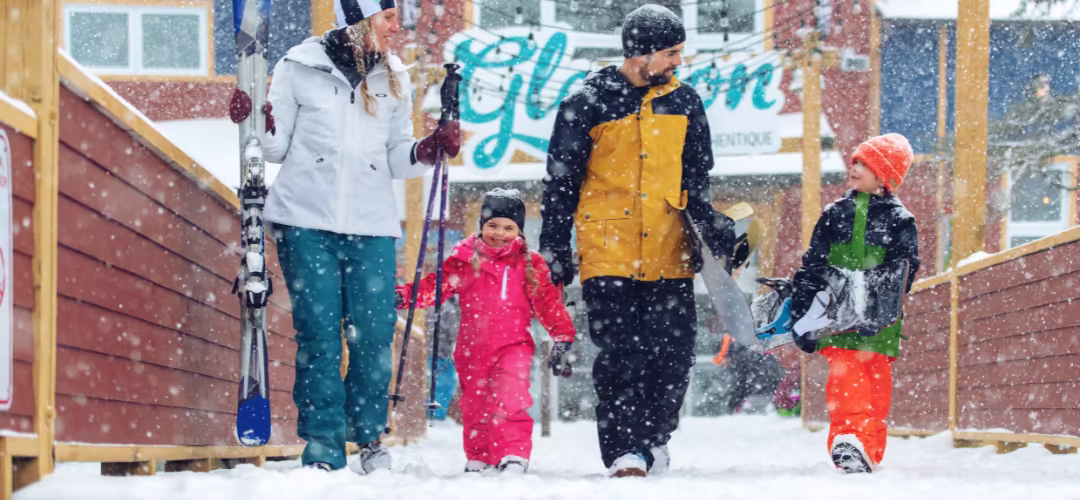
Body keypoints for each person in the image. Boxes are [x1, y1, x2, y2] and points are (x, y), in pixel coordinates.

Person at [256, 0, 461, 473]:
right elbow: (274, 147)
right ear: (360, 21)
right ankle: (324, 446)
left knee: (372, 337)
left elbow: (394, 156)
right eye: (388, 18)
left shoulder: (393, 77)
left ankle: (368, 437)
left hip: (371, 225)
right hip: (306, 221)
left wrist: (426, 150)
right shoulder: (298, 67)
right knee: (320, 337)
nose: (397, 27)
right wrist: (255, 120)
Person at [539, 4, 737, 478]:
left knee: (673, 357)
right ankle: (625, 450)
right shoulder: (587, 102)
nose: (677, 63)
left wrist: (715, 231)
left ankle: (654, 439)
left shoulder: (686, 103)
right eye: (670, 53)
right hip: (608, 251)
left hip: (671, 251)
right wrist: (555, 246)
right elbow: (560, 183)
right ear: (640, 52)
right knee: (619, 357)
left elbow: (697, 180)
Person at [396, 188, 577, 474]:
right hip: (472, 347)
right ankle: (480, 456)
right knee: (475, 404)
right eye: (492, 225)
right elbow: (435, 287)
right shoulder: (465, 260)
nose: (499, 233)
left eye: (508, 227)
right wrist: (405, 296)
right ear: (481, 225)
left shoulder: (530, 264)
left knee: (510, 397)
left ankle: (513, 454)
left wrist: (563, 336)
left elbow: (548, 303)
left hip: (514, 345)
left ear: (519, 230)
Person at [790, 133, 920, 473]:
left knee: (877, 382)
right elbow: (813, 264)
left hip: (882, 320)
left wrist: (880, 297)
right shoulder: (835, 213)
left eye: (865, 163)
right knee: (846, 372)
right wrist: (804, 307)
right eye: (855, 160)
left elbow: (907, 269)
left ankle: (870, 449)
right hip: (839, 314)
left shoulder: (900, 220)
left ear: (884, 176)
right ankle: (848, 440)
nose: (854, 166)